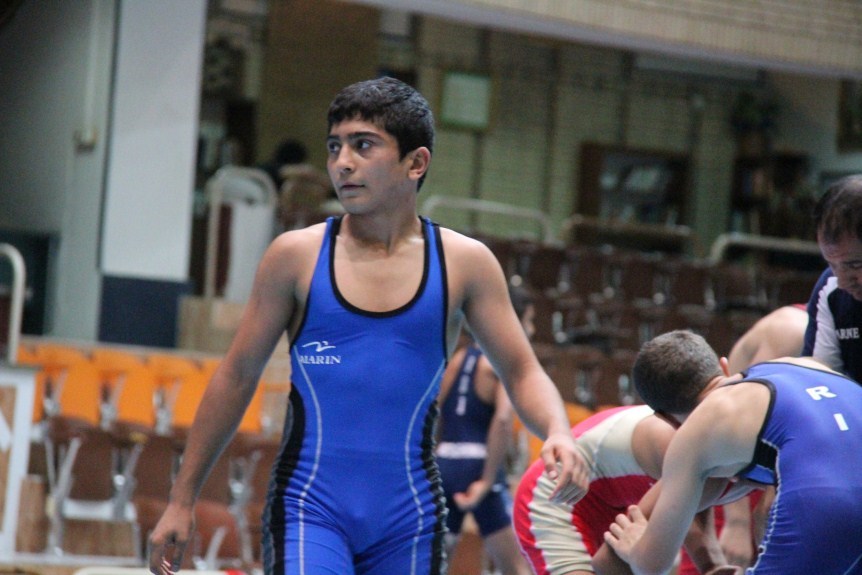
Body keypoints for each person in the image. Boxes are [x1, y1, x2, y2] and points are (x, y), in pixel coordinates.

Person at [147, 77, 587, 575]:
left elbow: (521, 370)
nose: (342, 162)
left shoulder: (464, 263)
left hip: (410, 519)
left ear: (416, 163)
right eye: (335, 146)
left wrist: (558, 431)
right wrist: (182, 498)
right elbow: (236, 375)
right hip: (310, 510)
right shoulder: (296, 256)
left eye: (363, 145)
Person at [604, 330, 862, 575]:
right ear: (724, 366)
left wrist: (636, 546)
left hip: (828, 502)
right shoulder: (800, 364)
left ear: (664, 418)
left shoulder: (696, 429)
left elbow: (653, 564)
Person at [513, 400, 748, 575]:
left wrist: (711, 565)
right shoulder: (698, 455)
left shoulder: (722, 451)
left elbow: (692, 503)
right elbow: (608, 563)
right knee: (647, 561)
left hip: (614, 495)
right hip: (558, 493)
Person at [676, 304, 808, 573]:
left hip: (790, 474)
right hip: (733, 475)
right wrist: (737, 523)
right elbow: (740, 419)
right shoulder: (793, 328)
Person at [436, 284, 535, 575]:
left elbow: (435, 411)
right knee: (516, 567)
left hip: (445, 464)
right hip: (479, 467)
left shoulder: (458, 358)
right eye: (529, 321)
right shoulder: (500, 363)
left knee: (437, 563)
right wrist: (488, 479)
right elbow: (503, 419)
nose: (531, 330)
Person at [803, 174, 862, 382]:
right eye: (832, 264)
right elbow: (819, 383)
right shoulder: (830, 289)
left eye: (854, 265)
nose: (842, 281)